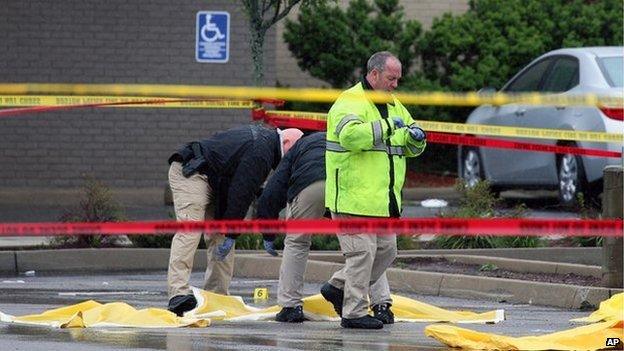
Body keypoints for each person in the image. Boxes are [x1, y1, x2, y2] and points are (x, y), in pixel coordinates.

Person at [321, 51, 427, 329]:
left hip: (383, 202)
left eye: (398, 79)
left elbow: (408, 139)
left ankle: (337, 287)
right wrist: (389, 126)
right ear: (374, 74)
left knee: (386, 252)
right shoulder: (349, 101)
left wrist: (417, 138)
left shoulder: (393, 104)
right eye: (391, 78)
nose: (395, 85)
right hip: (353, 198)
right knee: (361, 256)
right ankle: (353, 313)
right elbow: (352, 136)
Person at [256, 132, 394, 324]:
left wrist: (268, 233)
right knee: (367, 244)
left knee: (297, 242)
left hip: (310, 186)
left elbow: (273, 189)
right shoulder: (348, 138)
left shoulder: (299, 148)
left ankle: (290, 307)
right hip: (345, 187)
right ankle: (381, 305)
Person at [166, 124, 303, 316]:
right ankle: (178, 293)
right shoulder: (262, 150)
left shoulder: (265, 142)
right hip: (191, 172)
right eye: (294, 154)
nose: (293, 160)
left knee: (220, 237)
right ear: (286, 142)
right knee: (191, 230)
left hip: (215, 179)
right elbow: (242, 192)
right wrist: (232, 231)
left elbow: (245, 184)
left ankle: (217, 296)